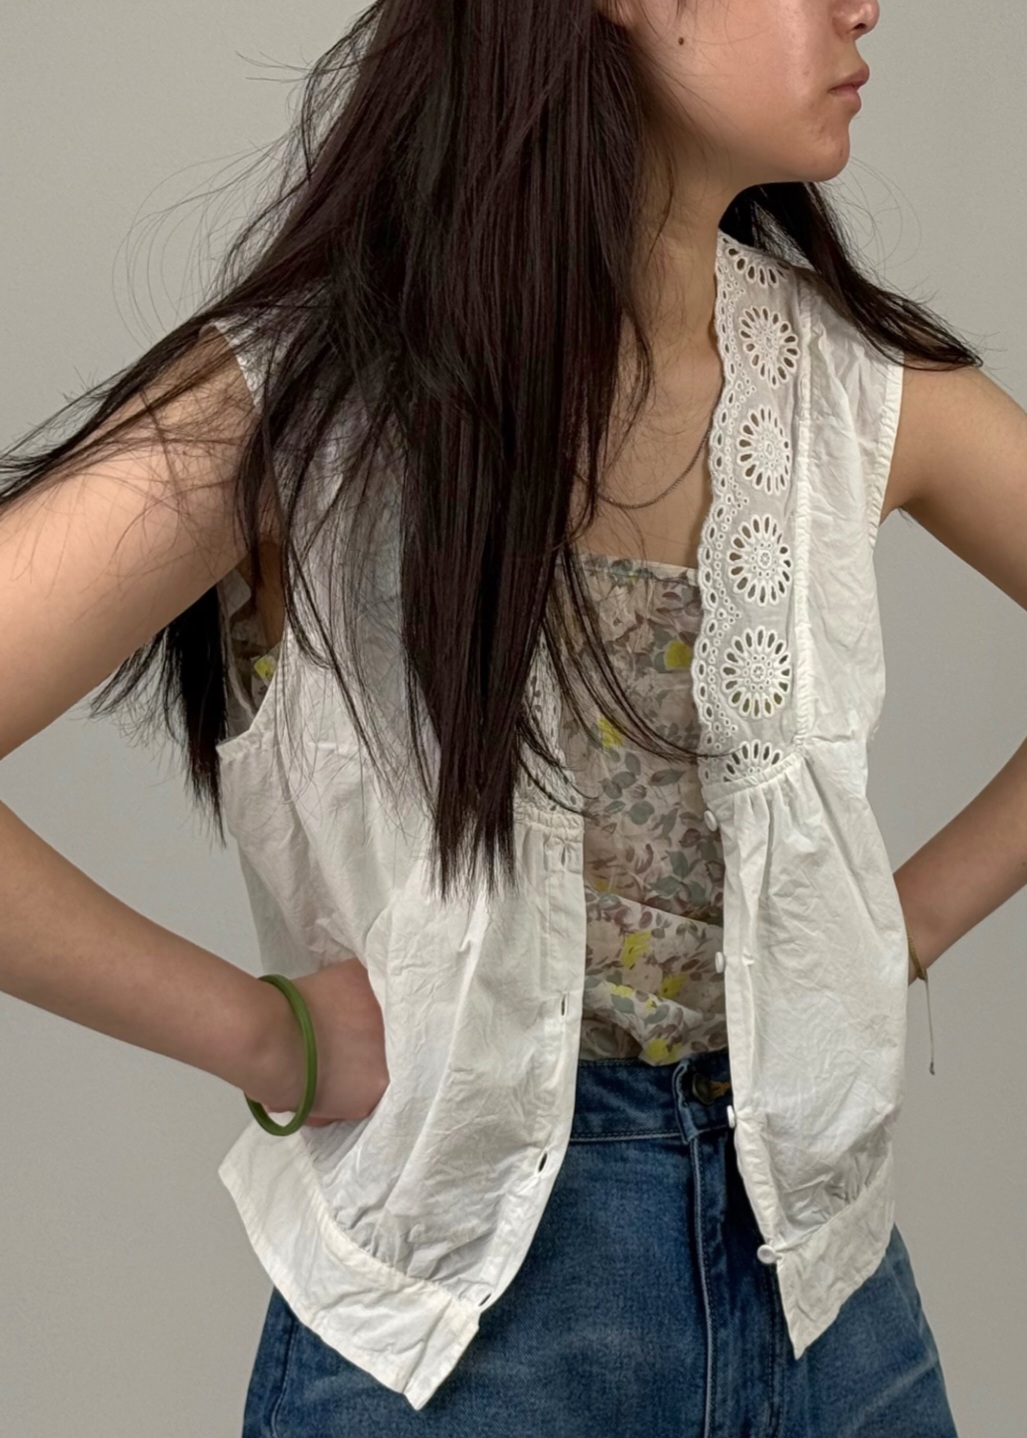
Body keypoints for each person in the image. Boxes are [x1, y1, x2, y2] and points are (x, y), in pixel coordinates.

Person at [2, 1, 1025, 1433]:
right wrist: (267, 1038)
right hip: (461, 1326)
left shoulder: (853, 390)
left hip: (830, 1304)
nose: (865, 4)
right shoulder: (306, 402)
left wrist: (890, 925)